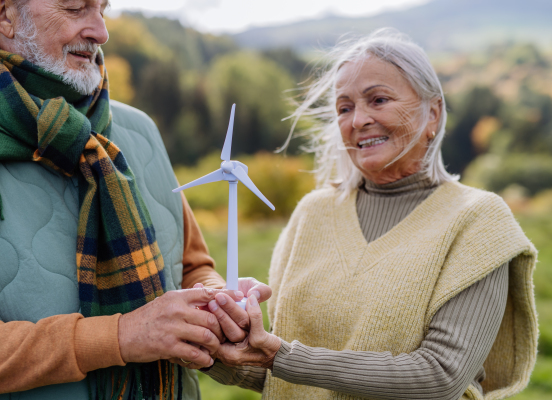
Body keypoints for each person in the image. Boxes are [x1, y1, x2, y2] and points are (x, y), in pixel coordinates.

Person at [0, 0, 271, 399]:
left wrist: (218, 302)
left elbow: (191, 265)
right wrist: (122, 335)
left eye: (102, 8)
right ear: (4, 14)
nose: (100, 32)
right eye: (75, 8)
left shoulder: (140, 130)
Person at [203, 29, 538, 400]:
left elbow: (441, 376)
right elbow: (283, 375)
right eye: (344, 108)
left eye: (378, 100)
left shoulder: (479, 220)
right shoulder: (312, 214)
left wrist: (282, 356)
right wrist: (214, 348)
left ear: (433, 113)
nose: (358, 120)